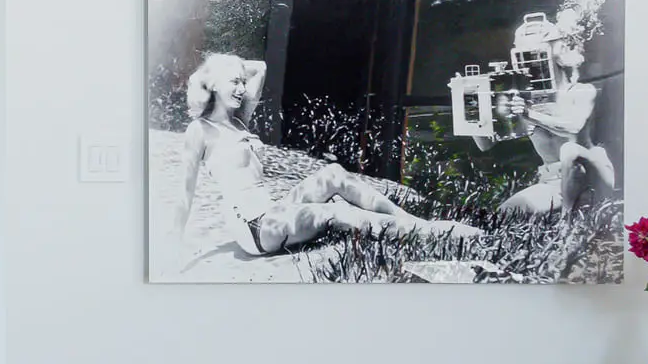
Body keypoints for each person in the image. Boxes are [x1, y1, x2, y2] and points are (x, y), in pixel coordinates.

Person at [176, 52, 478, 257]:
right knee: (337, 212)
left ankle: (411, 221)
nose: (242, 88)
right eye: (234, 82)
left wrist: (230, 69)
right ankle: (433, 233)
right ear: (213, 83)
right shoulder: (199, 131)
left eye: (242, 82)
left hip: (274, 212)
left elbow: (261, 67)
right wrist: (173, 244)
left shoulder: (238, 120)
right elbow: (185, 194)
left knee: (332, 175)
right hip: (257, 227)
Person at [468, 11, 614, 216]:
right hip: (553, 181)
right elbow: (485, 145)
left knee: (569, 150)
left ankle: (567, 221)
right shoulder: (522, 100)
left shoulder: (581, 91)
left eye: (536, 56)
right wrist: (474, 109)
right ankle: (566, 208)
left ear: (560, 54)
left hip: (592, 175)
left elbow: (573, 127)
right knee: (503, 214)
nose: (532, 65)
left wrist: (529, 114)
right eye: (526, 57)